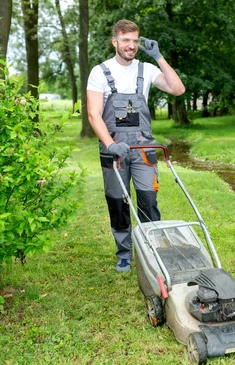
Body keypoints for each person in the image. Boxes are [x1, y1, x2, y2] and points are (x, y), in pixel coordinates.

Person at [87, 19, 185, 272]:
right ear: (115, 41)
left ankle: (152, 250)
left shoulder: (148, 69)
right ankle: (124, 253)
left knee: (148, 200)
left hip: (144, 148)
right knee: (118, 203)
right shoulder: (100, 72)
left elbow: (177, 89)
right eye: (126, 40)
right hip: (114, 150)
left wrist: (159, 57)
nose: (131, 46)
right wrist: (109, 144)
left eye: (135, 41)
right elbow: (94, 115)